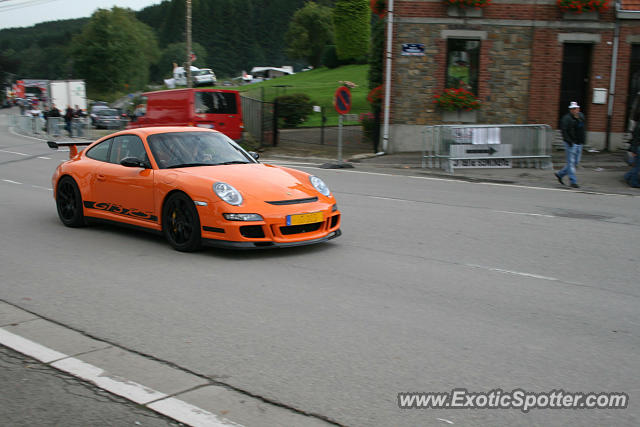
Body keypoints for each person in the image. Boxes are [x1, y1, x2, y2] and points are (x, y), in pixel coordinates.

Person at [555, 101, 585, 188]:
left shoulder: (581, 116)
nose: (575, 110)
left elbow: (582, 127)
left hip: (579, 142)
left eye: (576, 109)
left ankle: (560, 174)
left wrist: (578, 118)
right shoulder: (566, 118)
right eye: (573, 109)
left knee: (575, 162)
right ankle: (573, 181)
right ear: (570, 110)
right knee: (571, 162)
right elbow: (564, 131)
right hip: (571, 143)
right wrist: (568, 141)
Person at [624, 120, 640, 188]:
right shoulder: (638, 126)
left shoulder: (638, 125)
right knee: (637, 167)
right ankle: (633, 183)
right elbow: (635, 139)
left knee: (637, 166)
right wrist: (634, 151)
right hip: (638, 148)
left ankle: (627, 177)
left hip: (637, 148)